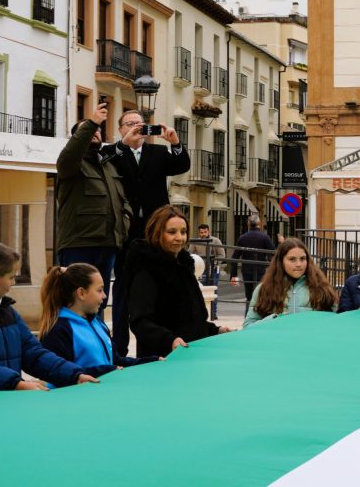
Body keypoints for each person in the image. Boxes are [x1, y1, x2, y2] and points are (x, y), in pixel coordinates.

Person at [103, 109, 191, 357]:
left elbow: (181, 164)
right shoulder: (113, 152)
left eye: (140, 124)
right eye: (130, 124)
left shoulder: (157, 152)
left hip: (155, 228)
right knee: (122, 288)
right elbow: (103, 160)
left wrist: (174, 143)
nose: (136, 128)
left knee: (159, 284)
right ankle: (118, 348)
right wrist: (123, 144)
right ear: (120, 129)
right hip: (125, 229)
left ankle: (159, 343)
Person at [0, 242, 98, 391]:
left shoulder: (7, 310)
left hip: (9, 400)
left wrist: (74, 375)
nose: (14, 282)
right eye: (11, 277)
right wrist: (17, 384)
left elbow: (33, 354)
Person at [55, 98, 131, 312]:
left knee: (98, 301)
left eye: (98, 130)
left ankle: (96, 341)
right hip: (78, 244)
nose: (96, 132)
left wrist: (126, 220)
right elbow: (70, 154)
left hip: (107, 245)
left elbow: (122, 199)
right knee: (74, 301)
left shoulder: (108, 167)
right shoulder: (71, 165)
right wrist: (91, 123)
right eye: (90, 130)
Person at [126, 206, 230, 358]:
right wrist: (170, 340)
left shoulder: (183, 267)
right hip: (162, 360)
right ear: (157, 233)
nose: (179, 238)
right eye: (171, 232)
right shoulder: (146, 271)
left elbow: (190, 320)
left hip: (190, 356)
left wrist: (216, 330)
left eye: (183, 232)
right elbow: (140, 322)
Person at [39, 264, 159, 379]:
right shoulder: (58, 330)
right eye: (100, 290)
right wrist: (106, 372)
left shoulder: (97, 323)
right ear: (81, 293)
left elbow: (116, 361)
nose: (104, 296)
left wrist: (151, 362)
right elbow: (60, 373)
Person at [243, 238, 338, 328]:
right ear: (281, 261)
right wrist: (274, 320)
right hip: (277, 342)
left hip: (310, 342)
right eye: (292, 259)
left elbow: (336, 322)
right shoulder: (263, 289)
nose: (298, 264)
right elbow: (248, 326)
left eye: (302, 259)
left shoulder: (322, 287)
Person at [230, 215, 276, 313]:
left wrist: (233, 275)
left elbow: (235, 257)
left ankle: (248, 315)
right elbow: (273, 254)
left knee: (249, 295)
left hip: (246, 270)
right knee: (260, 293)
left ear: (248, 224)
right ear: (259, 224)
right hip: (260, 269)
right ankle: (258, 314)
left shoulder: (242, 238)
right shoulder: (265, 237)